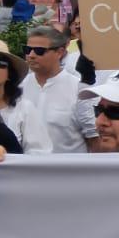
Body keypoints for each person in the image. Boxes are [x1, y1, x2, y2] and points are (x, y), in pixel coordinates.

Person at [19, 25, 99, 153]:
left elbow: (94, 139)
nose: (31, 55)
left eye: (39, 51)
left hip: (69, 171)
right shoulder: (20, 88)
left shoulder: (79, 89)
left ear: (60, 52)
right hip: (29, 170)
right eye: (27, 49)